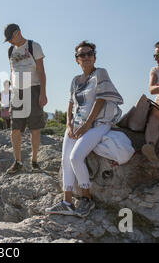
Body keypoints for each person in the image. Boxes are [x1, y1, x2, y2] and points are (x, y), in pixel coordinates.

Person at [45, 41, 123, 218]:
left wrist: (88, 124)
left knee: (76, 157)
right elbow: (70, 104)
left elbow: (101, 99)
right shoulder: (75, 80)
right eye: (82, 55)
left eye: (89, 54)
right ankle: (67, 202)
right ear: (76, 59)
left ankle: (87, 200)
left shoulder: (100, 73)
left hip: (98, 124)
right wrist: (68, 124)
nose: (86, 57)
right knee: (65, 160)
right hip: (76, 124)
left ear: (94, 57)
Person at [3, 24, 48, 174]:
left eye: (10, 38)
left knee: (34, 128)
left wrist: (43, 93)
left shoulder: (34, 46)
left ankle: (34, 161)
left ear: (18, 33)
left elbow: (41, 71)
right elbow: (12, 71)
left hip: (34, 89)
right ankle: (18, 161)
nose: (9, 42)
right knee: (15, 128)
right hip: (17, 92)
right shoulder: (10, 50)